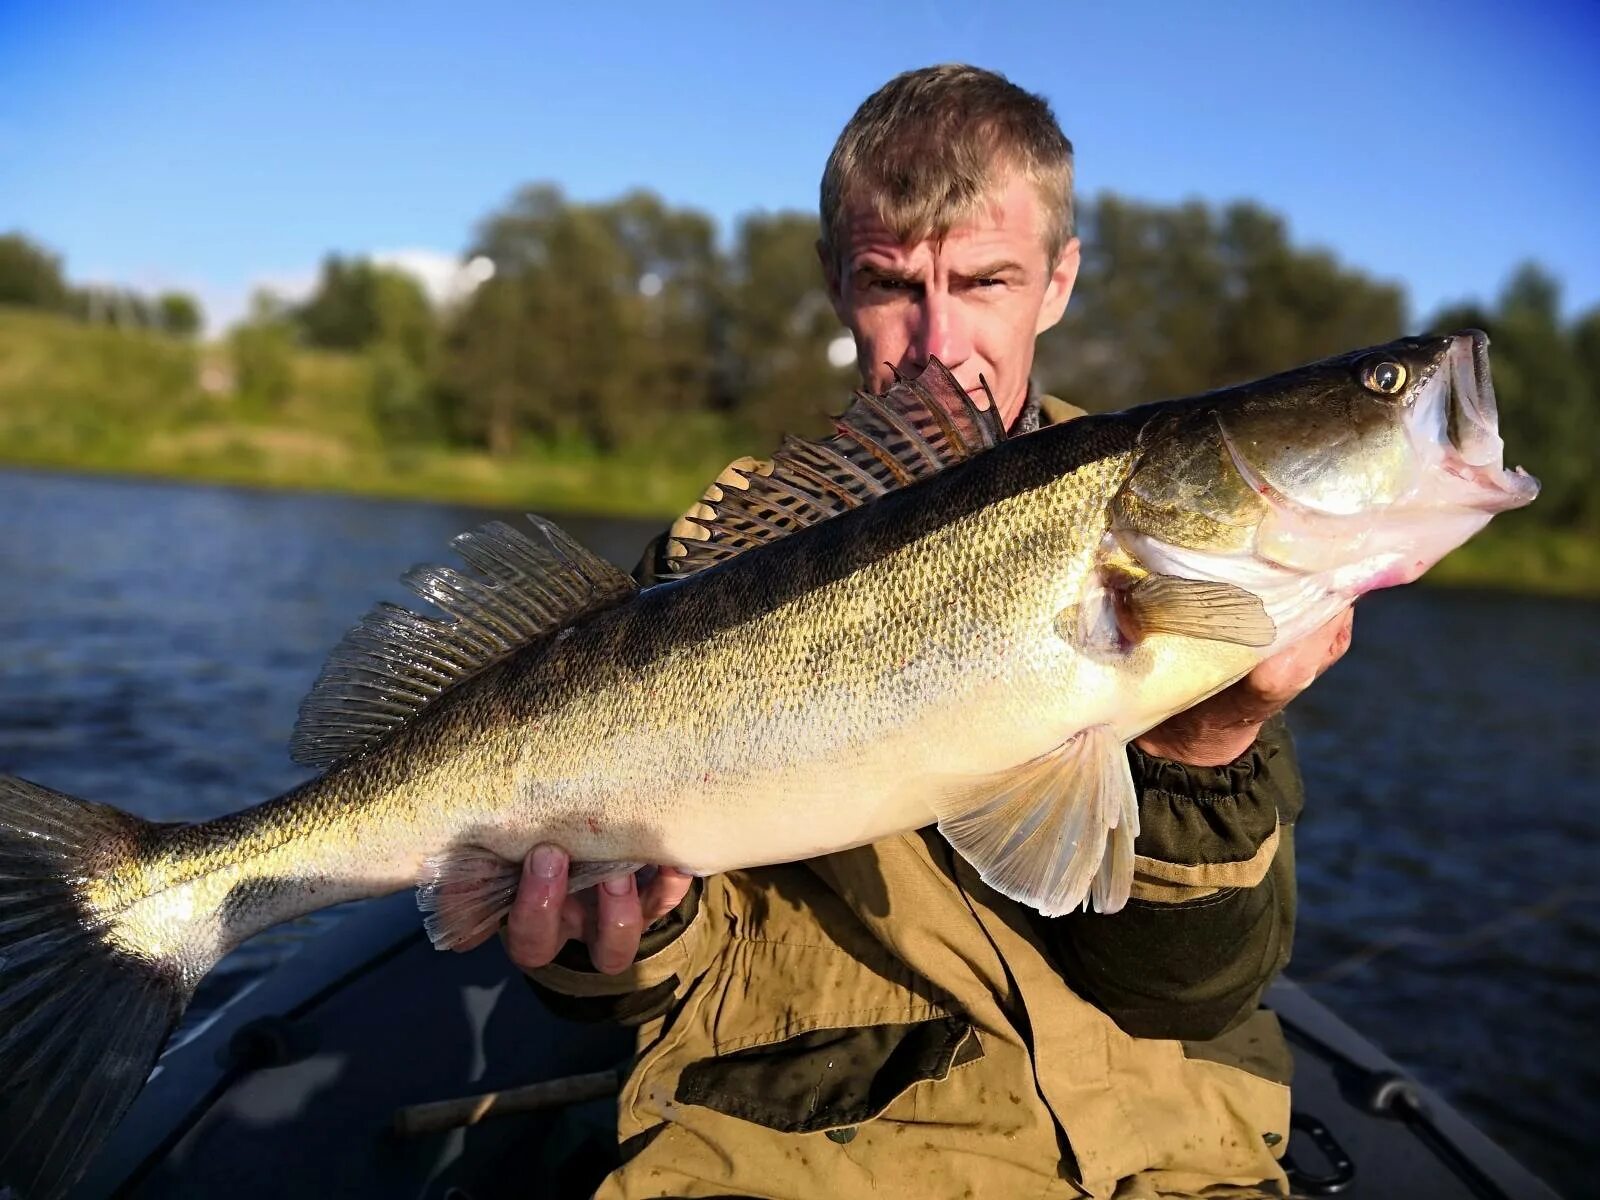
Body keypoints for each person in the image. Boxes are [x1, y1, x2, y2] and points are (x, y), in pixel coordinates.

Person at [502, 65, 1353, 1199]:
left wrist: (1209, 745)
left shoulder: (1177, 528)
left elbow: (1188, 994)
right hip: (811, 1161)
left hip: (1170, 1160)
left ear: (1058, 280)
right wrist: (616, 939)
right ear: (833, 282)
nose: (936, 342)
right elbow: (645, 982)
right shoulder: (715, 566)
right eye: (890, 284)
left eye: (985, 279)